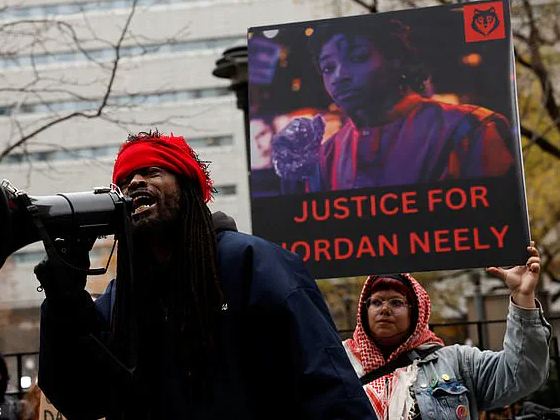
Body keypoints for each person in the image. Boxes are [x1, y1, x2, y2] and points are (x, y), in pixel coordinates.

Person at [35, 131, 377, 420]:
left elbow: (327, 385)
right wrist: (65, 300)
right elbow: (82, 399)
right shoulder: (121, 297)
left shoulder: (255, 264)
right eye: (124, 180)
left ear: (187, 189)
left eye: (152, 172)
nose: (134, 182)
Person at [271, 19, 515, 193]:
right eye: (328, 68)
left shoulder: (472, 129)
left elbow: (497, 229)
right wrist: (293, 178)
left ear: (395, 58)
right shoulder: (327, 157)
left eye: (357, 57)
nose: (339, 76)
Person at [342, 243, 550, 420]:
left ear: (416, 314)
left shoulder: (457, 363)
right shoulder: (339, 363)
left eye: (396, 302)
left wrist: (523, 296)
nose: (384, 309)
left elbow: (523, 373)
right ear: (364, 309)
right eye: (376, 302)